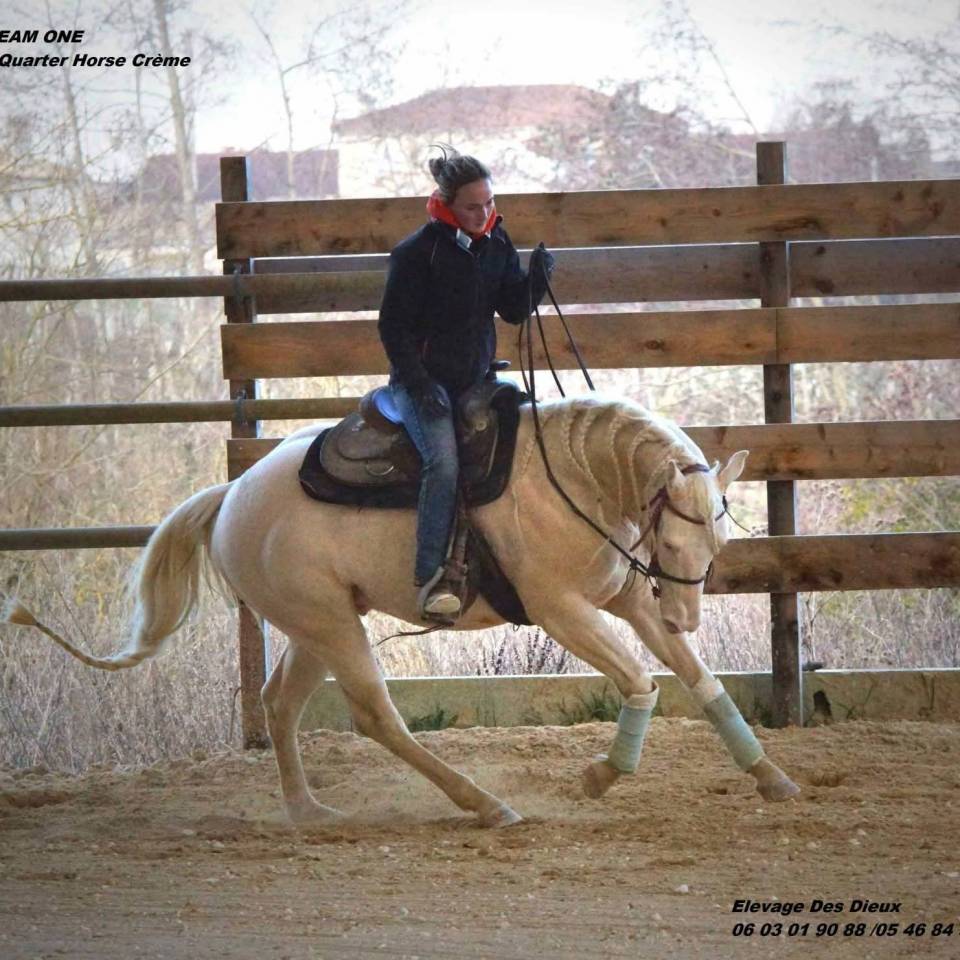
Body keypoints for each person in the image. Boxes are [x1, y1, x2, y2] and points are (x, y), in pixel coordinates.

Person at [378, 147, 555, 621]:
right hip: (421, 384)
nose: (484, 214)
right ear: (447, 204)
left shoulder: (497, 242)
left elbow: (512, 309)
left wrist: (536, 281)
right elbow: (392, 328)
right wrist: (419, 385)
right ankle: (430, 576)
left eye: (489, 203)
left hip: (476, 379)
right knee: (443, 465)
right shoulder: (416, 253)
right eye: (473, 207)